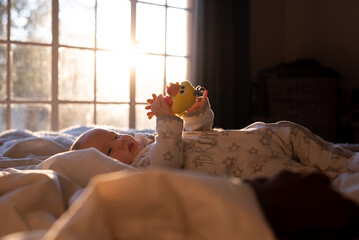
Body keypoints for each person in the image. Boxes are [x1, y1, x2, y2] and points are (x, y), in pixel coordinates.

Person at [71, 91, 359, 180]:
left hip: (256, 138)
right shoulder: (146, 167)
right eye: (110, 150)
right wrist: (167, 121)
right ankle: (333, 177)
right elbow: (168, 163)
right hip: (249, 166)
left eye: (113, 134)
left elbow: (199, 132)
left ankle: (344, 161)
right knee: (298, 179)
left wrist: (194, 112)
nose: (119, 140)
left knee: (290, 131)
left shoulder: (155, 139)